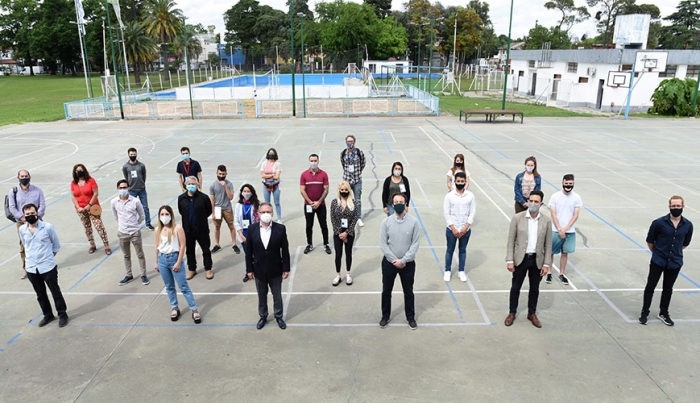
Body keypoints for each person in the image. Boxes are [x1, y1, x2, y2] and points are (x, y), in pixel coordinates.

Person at [639, 196, 693, 326]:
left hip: (675, 262)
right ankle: (644, 312)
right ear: (669, 207)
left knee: (668, 288)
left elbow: (685, 243)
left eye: (678, 206)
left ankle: (663, 312)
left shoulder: (688, 225)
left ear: (683, 207)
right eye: (673, 206)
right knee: (650, 286)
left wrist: (674, 253)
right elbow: (650, 241)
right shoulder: (658, 223)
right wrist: (658, 253)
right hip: (658, 261)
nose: (676, 208)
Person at [504, 190, 552, 328]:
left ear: (541, 204)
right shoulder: (517, 218)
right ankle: (512, 312)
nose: (533, 204)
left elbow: (548, 244)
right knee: (515, 287)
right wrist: (510, 260)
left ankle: (532, 313)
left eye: (536, 202)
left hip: (537, 260)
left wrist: (546, 264)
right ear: (528, 201)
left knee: (535, 288)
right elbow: (511, 240)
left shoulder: (547, 221)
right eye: (531, 201)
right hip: (521, 259)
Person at [19, 204, 68, 327]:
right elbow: (25, 245)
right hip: (31, 267)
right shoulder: (22, 230)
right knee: (40, 294)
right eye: (27, 214)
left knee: (55, 291)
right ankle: (48, 314)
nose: (30, 216)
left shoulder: (47, 227)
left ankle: (62, 314)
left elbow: (56, 245)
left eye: (32, 213)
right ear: (24, 216)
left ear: (37, 213)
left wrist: (48, 257)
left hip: (47, 266)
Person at [379, 192, 421, 330]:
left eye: (401, 202)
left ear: (406, 204)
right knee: (386, 291)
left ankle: (410, 317)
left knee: (408, 292)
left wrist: (404, 260)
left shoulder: (414, 222)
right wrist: (394, 260)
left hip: (407, 264)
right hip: (389, 263)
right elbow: (383, 244)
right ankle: (385, 316)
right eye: (396, 202)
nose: (398, 204)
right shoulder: (386, 222)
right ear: (392, 204)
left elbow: (415, 244)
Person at [246, 202, 291, 330]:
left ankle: (279, 316)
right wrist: (249, 269)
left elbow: (285, 250)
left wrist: (286, 268)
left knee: (277, 295)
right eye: (263, 212)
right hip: (259, 269)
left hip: (275, 268)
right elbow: (248, 251)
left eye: (268, 212)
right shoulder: (252, 229)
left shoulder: (280, 228)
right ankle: (263, 316)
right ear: (258, 213)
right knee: (261, 295)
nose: (266, 214)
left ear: (272, 213)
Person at [154, 205, 201, 324]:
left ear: (171, 215)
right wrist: (156, 262)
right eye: (162, 214)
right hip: (162, 260)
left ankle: (194, 309)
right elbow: (157, 246)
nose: (164, 217)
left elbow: (182, 245)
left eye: (167, 214)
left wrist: (178, 262)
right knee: (169, 286)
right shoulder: (158, 230)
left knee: (183, 286)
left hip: (174, 258)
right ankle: (174, 307)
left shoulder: (177, 228)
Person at [8, 169, 46, 280]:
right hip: (22, 222)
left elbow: (42, 205)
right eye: (22, 176)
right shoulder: (13, 192)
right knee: (24, 245)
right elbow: (12, 207)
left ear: (30, 177)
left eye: (26, 176)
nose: (24, 178)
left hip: (37, 220)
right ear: (18, 177)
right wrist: (23, 218)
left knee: (42, 241)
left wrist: (35, 217)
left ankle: (43, 264)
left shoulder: (37, 190)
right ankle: (26, 267)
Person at [547, 174, 583, 286]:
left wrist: (566, 228)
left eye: (570, 184)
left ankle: (561, 273)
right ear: (562, 183)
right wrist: (559, 229)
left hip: (570, 231)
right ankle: (549, 272)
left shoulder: (577, 197)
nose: (568, 186)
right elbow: (553, 214)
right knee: (551, 252)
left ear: (573, 184)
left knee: (565, 253)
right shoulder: (555, 196)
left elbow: (575, 215)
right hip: (555, 229)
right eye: (566, 183)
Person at [111, 179, 148, 286]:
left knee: (140, 254)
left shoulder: (135, 201)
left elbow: (142, 215)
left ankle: (143, 275)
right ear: (117, 189)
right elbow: (115, 216)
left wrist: (135, 224)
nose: (123, 189)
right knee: (126, 255)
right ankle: (129, 275)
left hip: (135, 232)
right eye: (121, 188)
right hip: (122, 232)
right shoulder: (114, 202)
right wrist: (123, 225)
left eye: (125, 187)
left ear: (129, 188)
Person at [177, 176, 213, 280]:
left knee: (206, 249)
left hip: (202, 229)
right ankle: (192, 269)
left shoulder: (203, 197)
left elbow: (208, 211)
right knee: (190, 250)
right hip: (188, 230)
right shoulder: (181, 198)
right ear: (185, 185)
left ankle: (208, 269)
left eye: (193, 184)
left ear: (197, 185)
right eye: (189, 184)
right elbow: (181, 211)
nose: (191, 186)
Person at [70, 164, 111, 255]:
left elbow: (95, 193)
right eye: (77, 171)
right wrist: (78, 207)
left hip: (92, 207)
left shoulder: (90, 180)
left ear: (84, 170)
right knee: (87, 227)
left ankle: (106, 245)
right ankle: (92, 244)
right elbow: (73, 196)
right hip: (81, 209)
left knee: (99, 226)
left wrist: (89, 205)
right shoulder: (74, 183)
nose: (79, 172)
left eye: (80, 170)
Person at [443, 172, 476, 283]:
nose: (460, 183)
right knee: (450, 250)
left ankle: (461, 271)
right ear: (455, 181)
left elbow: (472, 212)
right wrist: (453, 228)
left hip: (465, 230)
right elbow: (446, 212)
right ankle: (447, 270)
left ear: (465, 182)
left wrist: (466, 227)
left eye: (462, 181)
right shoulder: (449, 196)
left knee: (462, 250)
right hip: (452, 229)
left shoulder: (470, 196)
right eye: (458, 181)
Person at [300, 153, 331, 255]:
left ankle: (326, 244)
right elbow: (302, 190)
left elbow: (326, 190)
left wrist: (319, 202)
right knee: (309, 225)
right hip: (308, 205)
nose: (313, 163)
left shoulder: (324, 174)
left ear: (318, 161)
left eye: (315, 161)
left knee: (323, 225)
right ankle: (309, 244)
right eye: (312, 161)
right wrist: (310, 202)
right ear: (309, 161)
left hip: (321, 205)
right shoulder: (304, 175)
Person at [330, 181, 358, 286]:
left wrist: (347, 233)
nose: (344, 191)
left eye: (346, 190)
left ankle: (348, 274)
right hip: (338, 233)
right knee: (338, 254)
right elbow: (332, 218)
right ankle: (338, 275)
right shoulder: (334, 202)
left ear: (349, 191)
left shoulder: (353, 203)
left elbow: (355, 218)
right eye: (342, 190)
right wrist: (340, 234)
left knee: (348, 253)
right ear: (339, 190)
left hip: (349, 232)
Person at [209, 165, 241, 254]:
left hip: (227, 208)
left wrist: (226, 187)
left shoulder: (229, 184)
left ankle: (234, 244)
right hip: (217, 208)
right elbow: (212, 200)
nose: (221, 176)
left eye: (223, 174)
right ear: (216, 173)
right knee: (217, 227)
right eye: (220, 174)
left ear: (226, 174)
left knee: (231, 226)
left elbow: (231, 197)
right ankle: (217, 244)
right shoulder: (213, 185)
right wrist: (212, 212)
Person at [122, 147, 154, 230]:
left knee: (145, 207)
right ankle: (132, 224)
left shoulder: (141, 165)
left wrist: (142, 183)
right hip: (132, 190)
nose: (133, 156)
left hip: (141, 189)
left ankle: (148, 223)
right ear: (128, 155)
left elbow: (144, 175)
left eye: (134, 154)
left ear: (136, 154)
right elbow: (126, 177)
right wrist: (129, 186)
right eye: (131, 154)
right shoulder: (125, 166)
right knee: (131, 208)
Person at [234, 184, 260, 282]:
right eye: (244, 191)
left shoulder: (257, 205)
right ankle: (249, 271)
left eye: (248, 191)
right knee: (248, 254)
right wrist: (241, 235)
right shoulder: (238, 205)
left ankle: (258, 270)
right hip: (244, 234)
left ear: (252, 192)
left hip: (255, 234)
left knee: (257, 253)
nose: (246, 193)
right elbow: (236, 221)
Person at [340, 135, 366, 227]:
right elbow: (343, 164)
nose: (350, 143)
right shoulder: (343, 153)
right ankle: (346, 217)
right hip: (346, 181)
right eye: (348, 141)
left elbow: (363, 163)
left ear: (354, 142)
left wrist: (357, 172)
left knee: (357, 200)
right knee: (345, 199)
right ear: (346, 142)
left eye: (351, 141)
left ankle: (358, 218)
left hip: (357, 180)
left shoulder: (359, 152)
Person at [260, 147, 283, 222]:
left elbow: (277, 177)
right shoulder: (264, 163)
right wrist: (272, 175)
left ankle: (279, 218)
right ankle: (267, 217)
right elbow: (262, 175)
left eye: (272, 153)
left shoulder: (278, 164)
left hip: (276, 184)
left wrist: (267, 175)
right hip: (266, 184)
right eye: (270, 153)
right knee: (267, 202)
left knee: (277, 202)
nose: (271, 154)